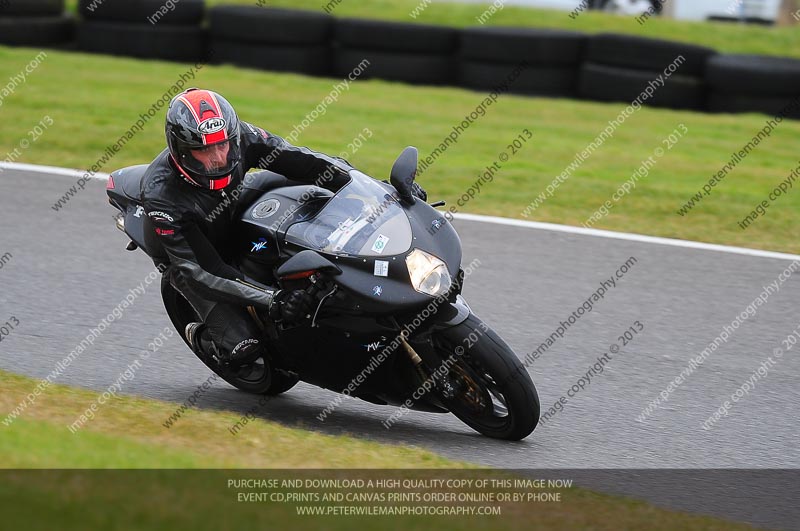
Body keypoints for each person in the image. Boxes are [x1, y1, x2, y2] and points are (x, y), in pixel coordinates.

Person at [140, 88, 424, 366]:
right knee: (245, 350)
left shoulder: (241, 137)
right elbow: (205, 270)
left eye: (222, 145)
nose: (218, 157)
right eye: (204, 150)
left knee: (313, 188)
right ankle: (202, 337)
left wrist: (379, 190)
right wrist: (274, 300)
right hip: (190, 256)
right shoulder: (162, 196)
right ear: (183, 150)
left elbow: (305, 161)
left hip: (233, 201)